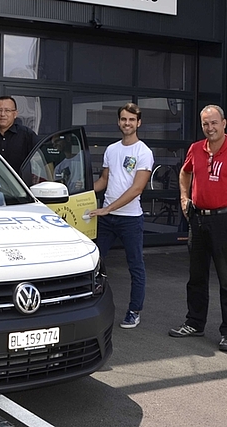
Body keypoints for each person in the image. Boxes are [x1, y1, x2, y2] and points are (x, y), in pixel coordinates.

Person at [88, 103, 154, 329]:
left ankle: (134, 311)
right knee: (95, 264)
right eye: (124, 119)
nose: (127, 123)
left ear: (139, 123)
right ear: (118, 122)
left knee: (136, 266)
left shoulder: (143, 152)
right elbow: (103, 182)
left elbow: (137, 189)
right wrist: (76, 191)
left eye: (131, 120)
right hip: (107, 220)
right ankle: (91, 307)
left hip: (130, 219)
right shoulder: (111, 149)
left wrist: (108, 208)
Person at [169, 105, 227, 351]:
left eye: (214, 122)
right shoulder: (196, 148)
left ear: (224, 123)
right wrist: (184, 198)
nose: (210, 128)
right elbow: (184, 173)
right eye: (205, 124)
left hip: (223, 220)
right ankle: (194, 323)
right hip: (198, 219)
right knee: (196, 275)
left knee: (226, 279)